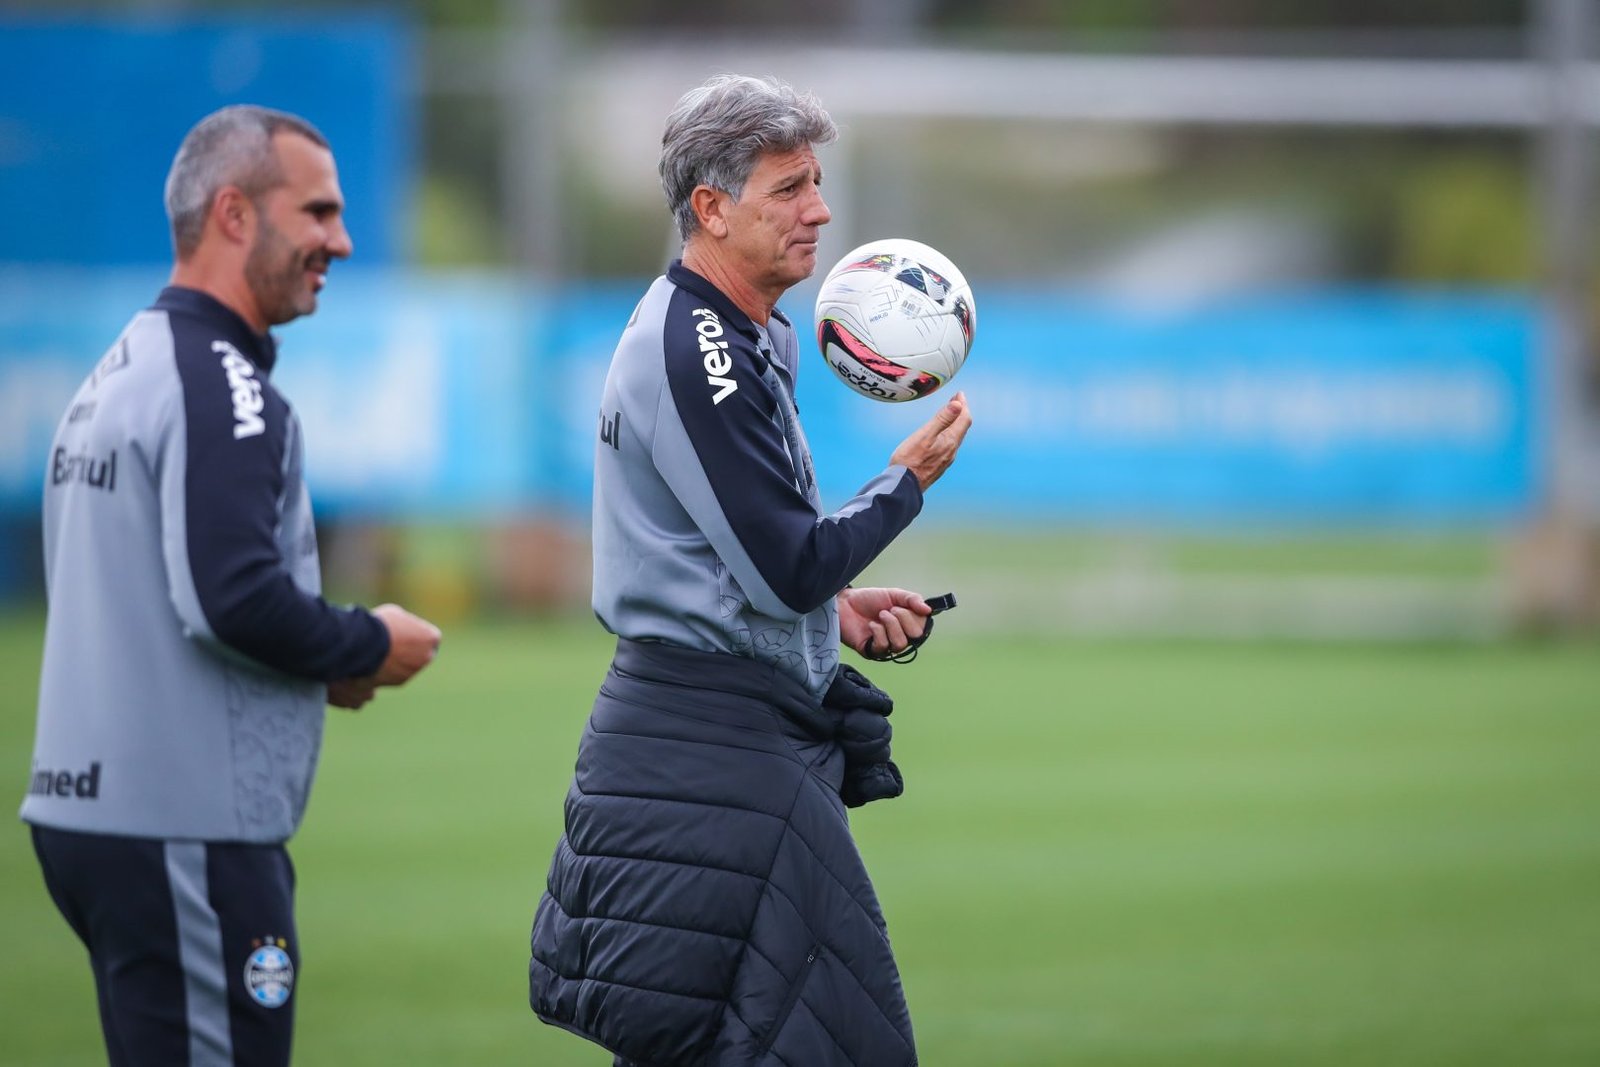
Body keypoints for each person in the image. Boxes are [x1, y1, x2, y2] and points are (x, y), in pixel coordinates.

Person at [528, 74, 972, 1067]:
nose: (818, 209)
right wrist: (903, 484)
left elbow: (732, 555)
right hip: (705, 748)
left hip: (703, 745)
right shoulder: (702, 348)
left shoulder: (737, 330)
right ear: (711, 209)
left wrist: (834, 612)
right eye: (787, 189)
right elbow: (783, 564)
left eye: (817, 183)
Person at [20, 105, 442, 1067]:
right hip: (181, 825)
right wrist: (366, 644)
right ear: (235, 215)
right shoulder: (225, 384)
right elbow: (230, 595)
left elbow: (169, 597)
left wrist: (311, 668)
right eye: (319, 212)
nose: (340, 239)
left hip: (99, 814)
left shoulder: (125, 366)